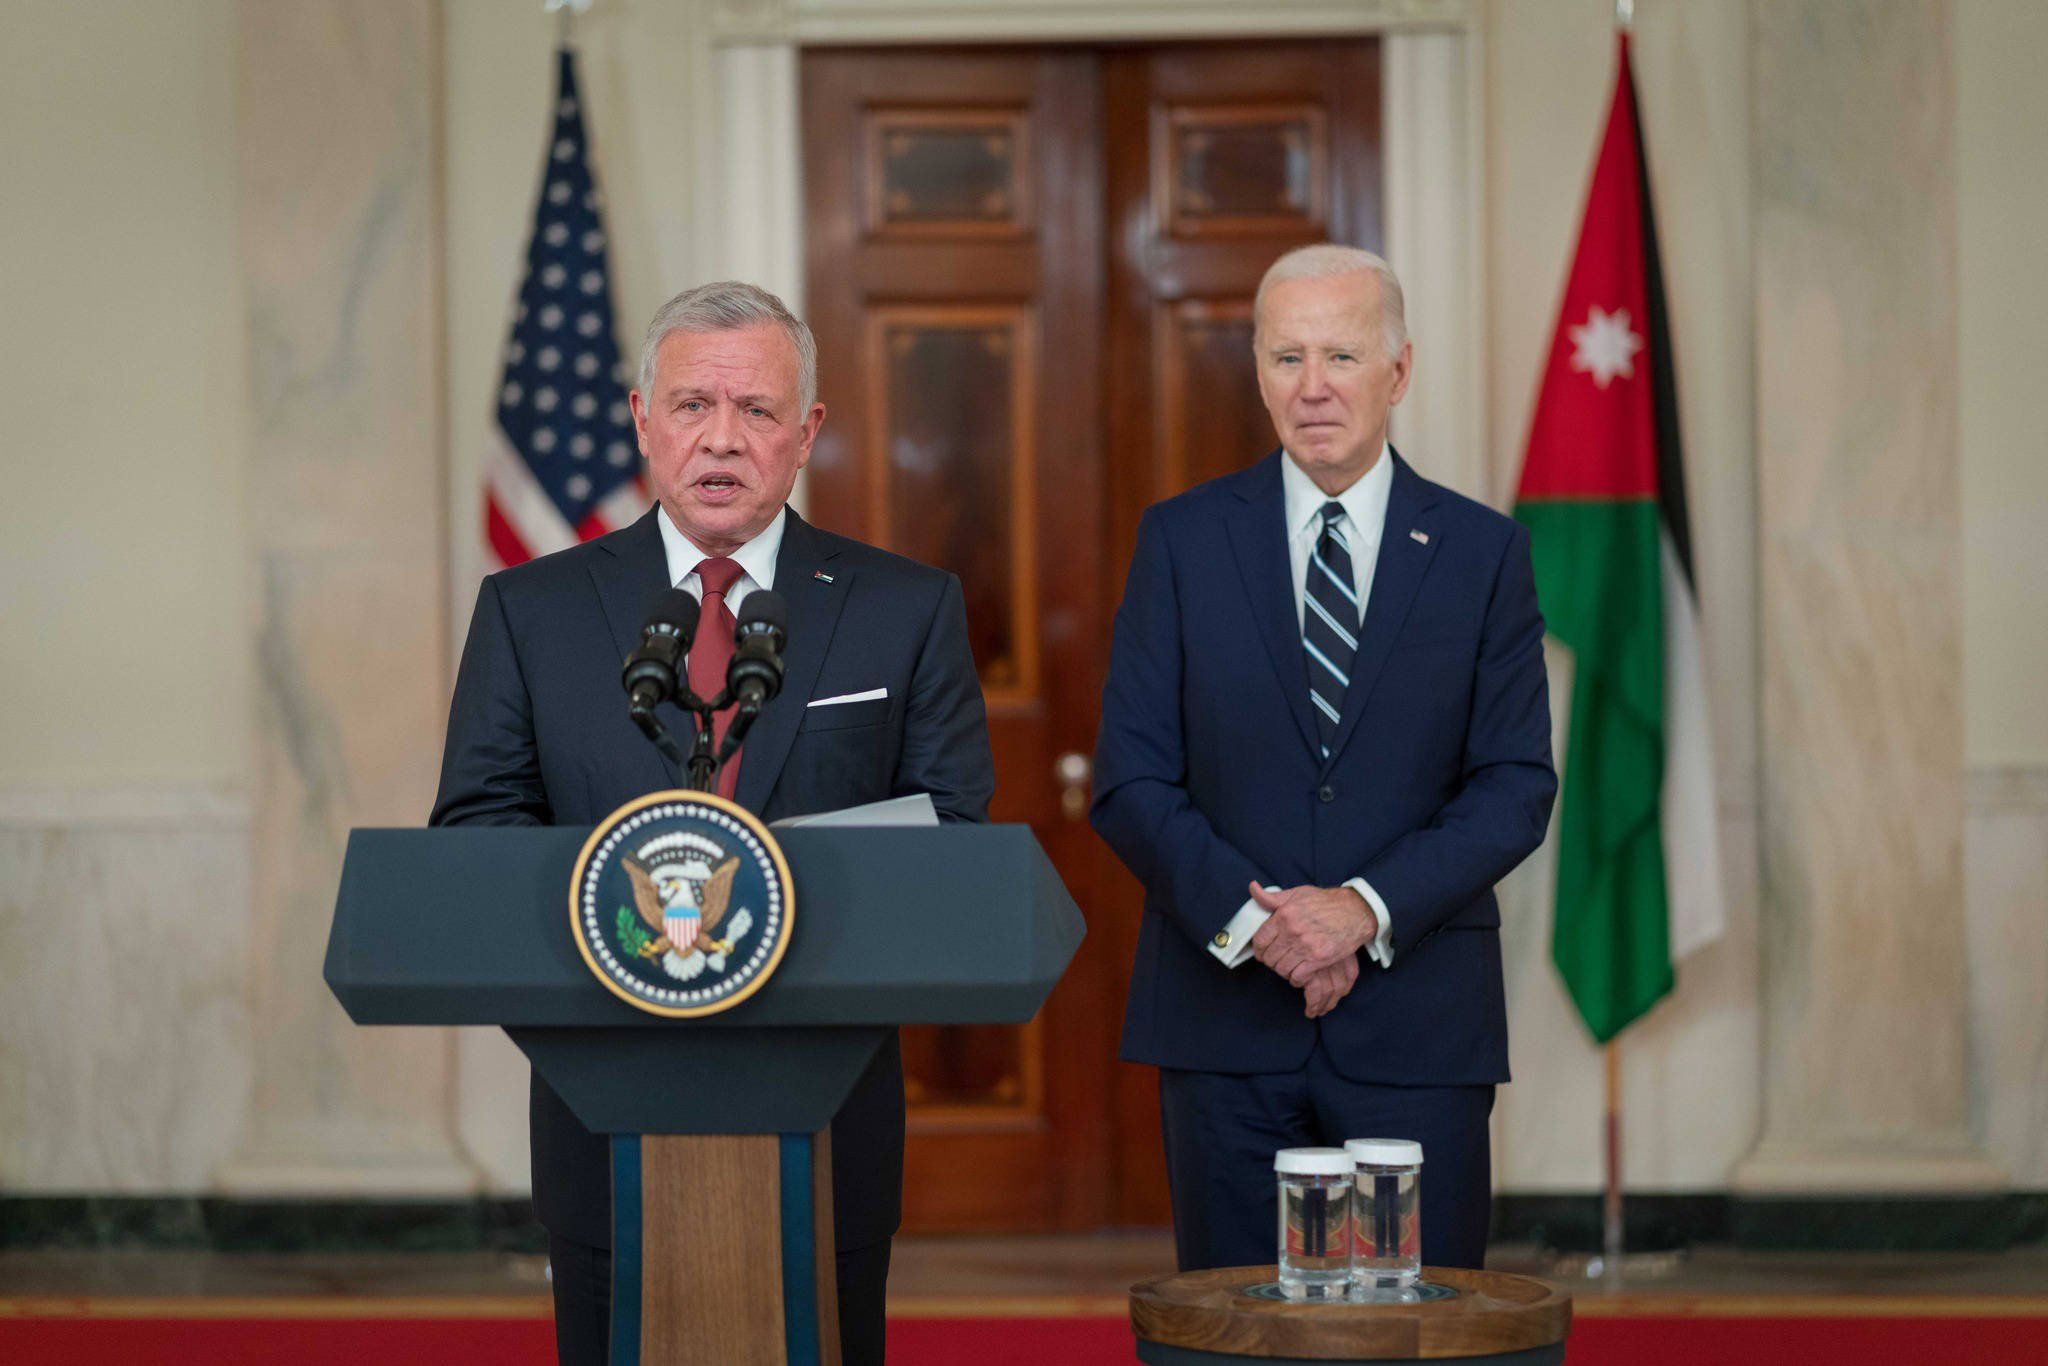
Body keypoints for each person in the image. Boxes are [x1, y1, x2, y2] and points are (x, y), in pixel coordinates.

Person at [431, 281, 994, 1365]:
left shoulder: (902, 608)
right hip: (605, 1099)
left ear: (806, 433)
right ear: (642, 420)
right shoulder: (531, 610)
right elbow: (476, 830)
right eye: (691, 406)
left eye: (756, 412)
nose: (721, 440)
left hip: (826, 1104)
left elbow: (953, 836)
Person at [1090, 244, 1555, 1273]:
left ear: (1398, 370)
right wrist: (1266, 926)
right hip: (1222, 1034)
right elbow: (1130, 778)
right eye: (1284, 357)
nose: (1310, 388)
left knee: (1421, 1338)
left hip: (1417, 1031)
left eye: (1339, 355)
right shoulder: (1179, 541)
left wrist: (1361, 908)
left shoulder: (1483, 554)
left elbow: (1514, 784)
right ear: (1255, 372)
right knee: (1234, 1334)